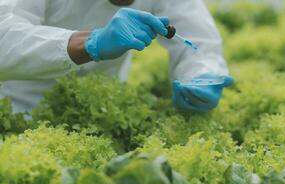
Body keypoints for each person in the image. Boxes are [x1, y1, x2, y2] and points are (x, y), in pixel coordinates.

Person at [0, 0, 233, 114]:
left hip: (99, 113)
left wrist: (201, 75)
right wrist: (90, 43)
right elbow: (4, 36)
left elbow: (197, 39)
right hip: (19, 108)